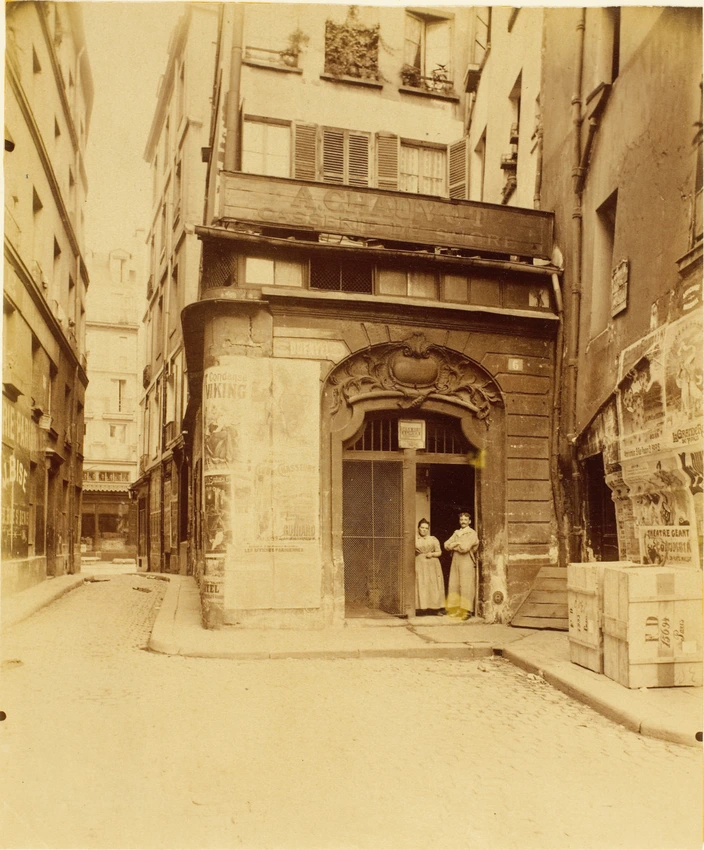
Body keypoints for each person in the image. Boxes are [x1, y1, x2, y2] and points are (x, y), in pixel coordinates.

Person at [444, 512, 479, 620]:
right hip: (456, 560)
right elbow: (446, 544)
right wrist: (455, 545)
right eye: (461, 520)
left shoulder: (472, 533)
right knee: (454, 583)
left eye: (465, 520)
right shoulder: (457, 533)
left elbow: (465, 548)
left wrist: (454, 545)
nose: (463, 522)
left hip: (466, 560)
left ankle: (467, 611)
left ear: (470, 521)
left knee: (466, 584)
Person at [414, 519, 446, 616]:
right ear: (418, 528)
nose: (424, 530)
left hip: (433, 564)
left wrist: (432, 554)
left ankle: (435, 609)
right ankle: (421, 608)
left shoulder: (433, 539)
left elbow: (439, 552)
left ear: (428, 529)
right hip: (420, 564)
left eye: (426, 528)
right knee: (421, 584)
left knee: (433, 585)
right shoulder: (415, 539)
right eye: (422, 528)